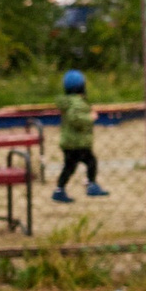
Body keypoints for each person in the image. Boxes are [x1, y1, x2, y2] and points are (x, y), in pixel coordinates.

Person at [53, 68, 106, 201]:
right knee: (91, 162)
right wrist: (90, 117)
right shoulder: (77, 102)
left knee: (70, 167)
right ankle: (91, 185)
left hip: (69, 142)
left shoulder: (69, 101)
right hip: (78, 143)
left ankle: (59, 189)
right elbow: (74, 118)